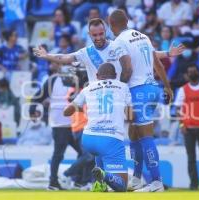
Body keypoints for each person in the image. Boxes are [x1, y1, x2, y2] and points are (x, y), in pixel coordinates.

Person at [108, 9, 176, 192]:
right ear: (127, 21)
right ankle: (137, 179)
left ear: (111, 25)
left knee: (146, 137)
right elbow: (158, 64)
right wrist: (168, 87)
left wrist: (117, 90)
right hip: (153, 88)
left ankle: (156, 182)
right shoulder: (143, 37)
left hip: (138, 91)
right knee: (134, 134)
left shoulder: (119, 42)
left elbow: (127, 69)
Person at [33, 18, 185, 83]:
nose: (98, 37)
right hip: (96, 98)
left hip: (118, 96)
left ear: (105, 31)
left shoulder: (118, 45)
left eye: (101, 33)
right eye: (95, 35)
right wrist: (47, 56)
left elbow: (146, 53)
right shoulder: (86, 52)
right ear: (89, 35)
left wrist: (167, 53)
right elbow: (64, 58)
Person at [64, 63, 132, 192]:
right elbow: (131, 116)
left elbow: (66, 112)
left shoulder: (88, 88)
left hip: (89, 138)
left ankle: (99, 184)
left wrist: (84, 109)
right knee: (122, 185)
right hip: (110, 138)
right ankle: (104, 176)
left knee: (99, 154)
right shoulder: (123, 87)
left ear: (96, 76)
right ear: (116, 76)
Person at [30, 66, 83, 190]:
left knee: (83, 153)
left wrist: (32, 110)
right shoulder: (53, 80)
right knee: (60, 154)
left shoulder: (77, 81)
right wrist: (32, 110)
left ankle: (78, 180)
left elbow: (37, 97)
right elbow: (38, 97)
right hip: (60, 123)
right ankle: (54, 182)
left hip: (75, 123)